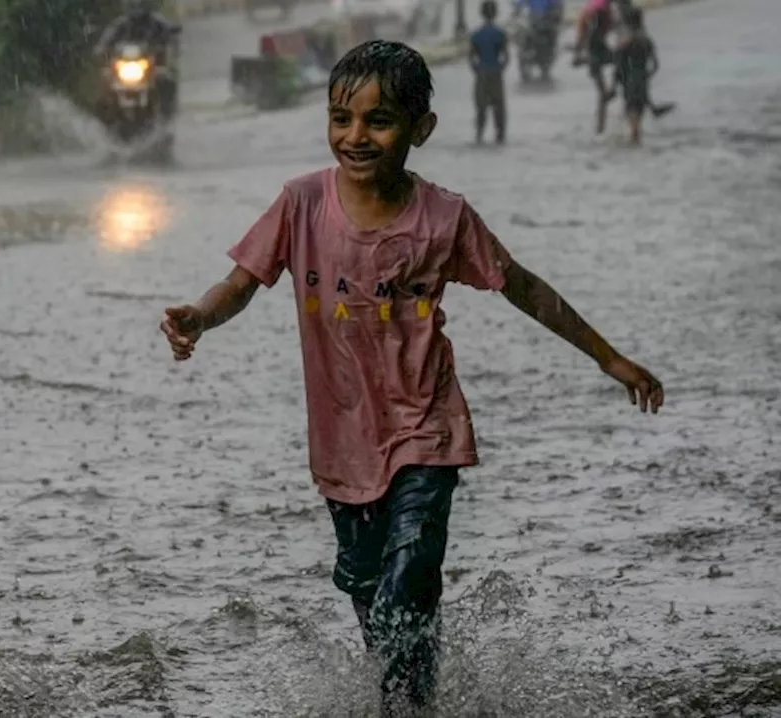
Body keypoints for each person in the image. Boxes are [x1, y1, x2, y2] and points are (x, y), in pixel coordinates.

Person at [159, 40, 664, 716]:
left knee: (404, 582)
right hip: (341, 439)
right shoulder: (302, 202)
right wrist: (199, 315)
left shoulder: (443, 218)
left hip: (427, 429)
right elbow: (242, 282)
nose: (356, 136)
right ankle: (415, 703)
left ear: (420, 129)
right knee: (369, 596)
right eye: (341, 118)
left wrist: (608, 357)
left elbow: (523, 288)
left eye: (379, 120)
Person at [93, 0, 182, 123]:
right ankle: (102, 121)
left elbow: (171, 37)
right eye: (134, 4)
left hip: (151, 69)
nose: (137, 9)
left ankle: (166, 117)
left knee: (166, 78)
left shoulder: (157, 24)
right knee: (104, 81)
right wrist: (101, 49)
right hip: (123, 69)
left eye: (140, 4)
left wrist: (166, 46)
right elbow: (105, 41)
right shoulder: (120, 25)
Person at [613, 7, 668, 145]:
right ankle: (637, 145)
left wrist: (614, 84)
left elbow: (619, 65)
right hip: (643, 81)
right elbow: (655, 65)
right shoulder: (647, 40)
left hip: (629, 81)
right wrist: (646, 76)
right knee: (638, 120)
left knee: (631, 118)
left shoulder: (626, 42)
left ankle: (634, 148)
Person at [573, 0, 616, 134]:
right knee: (603, 93)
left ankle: (600, 127)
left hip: (599, 51)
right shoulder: (597, 14)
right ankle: (600, 128)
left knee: (603, 93)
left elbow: (583, 37)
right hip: (595, 54)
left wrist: (578, 53)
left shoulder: (596, 12)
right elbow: (586, 36)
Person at [469, 0, 508, 145]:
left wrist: (477, 70)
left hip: (482, 73)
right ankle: (500, 135)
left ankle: (479, 134)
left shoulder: (476, 34)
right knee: (499, 106)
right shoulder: (500, 33)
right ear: (495, 13)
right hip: (495, 72)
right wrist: (500, 68)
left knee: (481, 106)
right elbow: (506, 56)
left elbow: (471, 57)